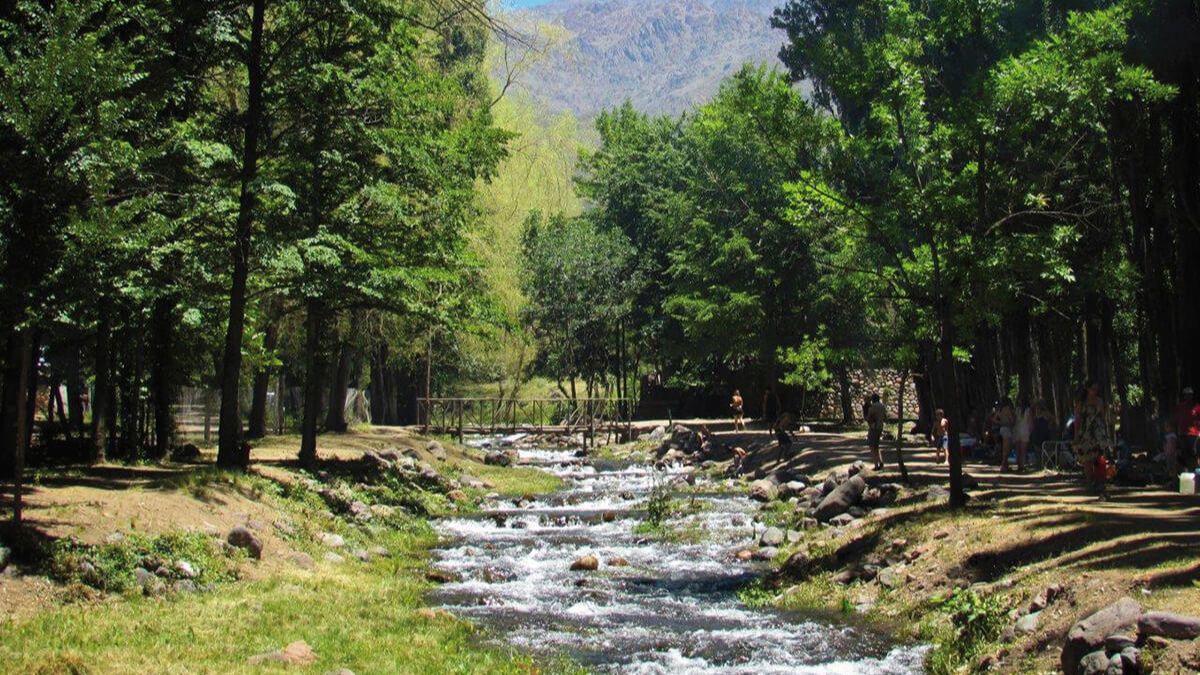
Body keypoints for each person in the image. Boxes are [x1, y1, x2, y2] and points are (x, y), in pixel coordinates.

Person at [1074, 379, 1110, 499]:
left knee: (1099, 457)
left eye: (1097, 389)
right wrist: (1076, 434)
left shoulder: (1099, 401)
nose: (1095, 391)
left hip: (1098, 431)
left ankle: (1100, 482)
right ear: (1087, 389)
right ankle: (1090, 482)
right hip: (1086, 432)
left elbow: (1104, 417)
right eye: (1093, 389)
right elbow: (1077, 419)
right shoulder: (1081, 402)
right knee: (1087, 458)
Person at [1174, 386, 1199, 470]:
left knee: (1194, 453)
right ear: (1184, 396)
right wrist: (1177, 433)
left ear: (1192, 396)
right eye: (1186, 395)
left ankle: (1195, 473)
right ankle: (1185, 472)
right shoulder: (1180, 407)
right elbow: (1177, 420)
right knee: (1182, 454)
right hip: (1182, 434)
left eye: (1190, 395)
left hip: (1194, 434)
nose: (1188, 397)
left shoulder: (1197, 407)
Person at [994, 397, 1016, 472]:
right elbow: (1012, 420)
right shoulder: (1007, 409)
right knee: (1006, 449)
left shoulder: (1000, 410)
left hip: (1002, 429)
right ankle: (1003, 466)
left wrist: (1000, 423)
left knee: (1005, 448)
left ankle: (1005, 465)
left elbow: (993, 419)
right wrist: (1010, 422)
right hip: (1007, 429)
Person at [866, 393, 887, 470]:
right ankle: (880, 461)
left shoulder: (873, 407)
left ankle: (876, 465)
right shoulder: (883, 406)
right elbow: (885, 417)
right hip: (880, 427)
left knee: (872, 446)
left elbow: (868, 417)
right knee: (877, 446)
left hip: (873, 428)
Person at [1013, 397, 1033, 472]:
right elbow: (1030, 422)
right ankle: (1022, 465)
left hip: (1017, 430)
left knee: (1018, 450)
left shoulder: (1017, 410)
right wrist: (1031, 431)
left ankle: (1018, 465)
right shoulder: (1028, 410)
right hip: (1025, 430)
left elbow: (1014, 420)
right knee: (1023, 450)